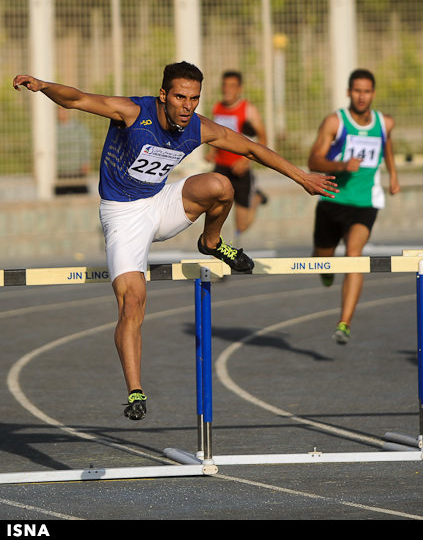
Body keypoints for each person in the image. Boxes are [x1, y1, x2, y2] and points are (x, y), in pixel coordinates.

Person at [13, 62, 337, 420]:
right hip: (123, 214)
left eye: (194, 99)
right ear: (164, 95)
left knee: (221, 185)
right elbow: (76, 99)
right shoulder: (133, 113)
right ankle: (135, 391)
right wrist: (42, 86)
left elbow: (251, 148)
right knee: (133, 302)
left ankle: (211, 243)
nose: (187, 106)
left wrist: (301, 177)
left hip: (161, 203)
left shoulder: (196, 127)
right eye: (180, 97)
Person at [308, 69, 400, 344]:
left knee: (354, 255)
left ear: (373, 93)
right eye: (357, 91)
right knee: (322, 258)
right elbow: (313, 161)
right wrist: (341, 166)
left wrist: (394, 174)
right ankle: (325, 269)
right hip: (332, 200)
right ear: (349, 92)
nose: (362, 96)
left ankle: (344, 322)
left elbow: (387, 145)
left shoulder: (386, 123)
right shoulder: (335, 122)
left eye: (367, 91)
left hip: (364, 203)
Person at [205, 71, 269, 245]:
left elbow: (263, 139)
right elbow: (216, 135)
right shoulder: (217, 107)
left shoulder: (248, 110)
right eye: (225, 85)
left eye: (232, 86)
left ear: (239, 88)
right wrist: (212, 153)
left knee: (241, 225)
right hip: (221, 168)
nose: (227, 89)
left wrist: (245, 161)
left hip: (240, 170)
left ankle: (255, 199)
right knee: (214, 210)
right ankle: (215, 247)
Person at [55, 106, 91, 195]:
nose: (62, 112)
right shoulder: (52, 129)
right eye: (59, 110)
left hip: (77, 171)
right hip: (60, 172)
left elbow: (85, 146)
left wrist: (86, 163)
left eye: (63, 110)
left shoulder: (79, 128)